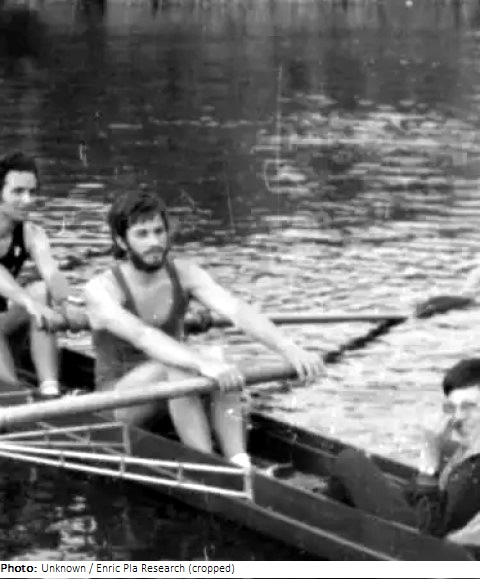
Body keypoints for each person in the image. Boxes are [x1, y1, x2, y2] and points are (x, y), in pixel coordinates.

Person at [84, 189, 324, 468]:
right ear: (120, 241)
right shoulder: (101, 289)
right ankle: (207, 463)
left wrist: (289, 348)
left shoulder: (184, 273)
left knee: (215, 356)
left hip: (175, 390)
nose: (155, 242)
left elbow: (236, 310)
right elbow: (143, 336)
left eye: (159, 231)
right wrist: (202, 363)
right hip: (118, 404)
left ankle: (238, 459)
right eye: (142, 234)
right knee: (183, 364)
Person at [326, 358, 480, 545]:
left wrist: (430, 457)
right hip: (423, 519)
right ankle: (328, 516)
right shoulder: (465, 451)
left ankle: (320, 523)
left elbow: (430, 535)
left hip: (416, 540)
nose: (457, 418)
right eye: (451, 408)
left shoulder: (473, 472)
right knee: (357, 476)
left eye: (469, 408)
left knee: (349, 461)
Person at [0, 151, 81, 397]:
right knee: (32, 300)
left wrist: (68, 305)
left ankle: (49, 390)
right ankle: (13, 395)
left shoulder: (32, 234)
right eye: (18, 192)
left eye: (32, 192)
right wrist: (28, 303)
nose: (28, 200)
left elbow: (51, 274)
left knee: (40, 291)